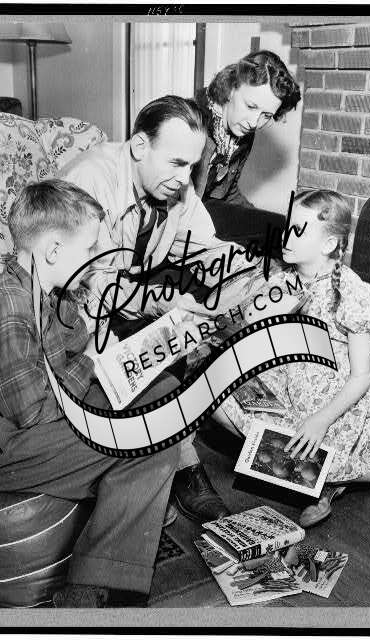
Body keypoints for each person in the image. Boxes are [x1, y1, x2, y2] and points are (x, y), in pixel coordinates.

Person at [0, 180, 180, 608]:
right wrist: (92, 360)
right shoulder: (7, 301)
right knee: (153, 432)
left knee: (166, 393)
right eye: (90, 248)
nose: (96, 258)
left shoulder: (49, 294)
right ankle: (93, 588)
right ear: (54, 250)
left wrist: (126, 353)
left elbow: (77, 353)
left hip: (46, 420)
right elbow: (32, 414)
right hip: (4, 448)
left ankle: (101, 573)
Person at [59, 96, 240, 523]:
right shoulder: (92, 179)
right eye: (176, 163)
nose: (184, 178)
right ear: (140, 146)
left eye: (192, 166)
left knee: (184, 339)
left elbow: (209, 249)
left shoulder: (175, 185)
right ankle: (176, 471)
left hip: (120, 302)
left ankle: (171, 469)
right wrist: (161, 303)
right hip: (72, 315)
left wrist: (258, 277)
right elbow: (93, 284)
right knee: (158, 355)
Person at [221, 189, 370, 527]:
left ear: (328, 244)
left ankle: (369, 476)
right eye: (287, 227)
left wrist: (321, 420)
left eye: (298, 230)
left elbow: (361, 378)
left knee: (307, 443)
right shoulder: (283, 280)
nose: (286, 236)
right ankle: (324, 480)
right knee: (215, 396)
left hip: (334, 407)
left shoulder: (349, 293)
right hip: (288, 386)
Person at [192, 50, 301, 207]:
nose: (254, 123)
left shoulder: (241, 135)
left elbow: (227, 192)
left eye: (266, 115)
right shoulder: (190, 122)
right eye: (250, 106)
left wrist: (261, 217)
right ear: (230, 89)